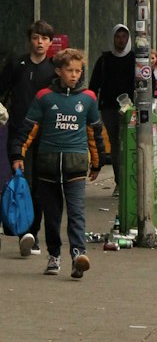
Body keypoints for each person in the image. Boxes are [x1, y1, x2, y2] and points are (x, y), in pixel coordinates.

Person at [11, 47, 106, 278]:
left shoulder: (89, 98)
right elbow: (28, 129)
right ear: (58, 71)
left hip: (75, 165)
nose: (74, 75)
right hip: (47, 165)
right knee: (52, 217)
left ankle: (78, 256)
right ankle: (54, 256)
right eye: (69, 70)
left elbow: (95, 133)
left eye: (78, 71)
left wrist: (97, 162)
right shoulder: (44, 97)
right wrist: (17, 155)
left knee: (76, 213)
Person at [0, 18, 56, 254]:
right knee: (21, 182)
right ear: (29, 40)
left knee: (40, 187)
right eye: (35, 38)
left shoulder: (54, 68)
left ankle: (33, 233)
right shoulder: (17, 64)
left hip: (44, 135)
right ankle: (22, 230)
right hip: (18, 134)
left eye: (44, 38)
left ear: (50, 42)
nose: (39, 43)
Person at [88, 23, 136, 193]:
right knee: (116, 145)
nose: (121, 40)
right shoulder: (104, 60)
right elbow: (94, 86)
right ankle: (119, 182)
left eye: (124, 37)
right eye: (118, 36)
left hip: (131, 109)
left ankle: (132, 181)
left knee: (131, 143)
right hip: (109, 108)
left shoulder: (135, 59)